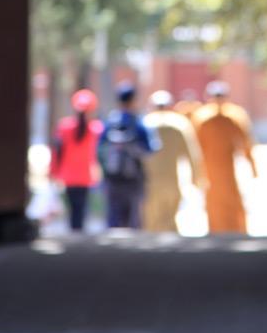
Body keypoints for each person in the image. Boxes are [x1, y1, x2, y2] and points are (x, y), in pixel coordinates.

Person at [193, 80, 257, 234]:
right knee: (215, 199)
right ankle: (218, 229)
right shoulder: (203, 117)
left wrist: (253, 165)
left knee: (229, 199)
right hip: (210, 167)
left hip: (226, 167)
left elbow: (245, 143)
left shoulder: (233, 115)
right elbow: (196, 146)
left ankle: (234, 230)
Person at [99, 81, 160, 229]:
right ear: (133, 100)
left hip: (113, 177)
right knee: (133, 219)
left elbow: (100, 149)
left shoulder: (110, 123)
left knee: (113, 218)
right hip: (134, 177)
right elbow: (152, 148)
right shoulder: (139, 123)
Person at [143, 90, 203, 232]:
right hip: (172, 182)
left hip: (150, 183)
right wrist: (196, 178)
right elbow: (192, 155)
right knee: (170, 220)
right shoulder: (179, 124)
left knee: (151, 223)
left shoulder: (146, 123)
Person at [50, 88, 103, 231]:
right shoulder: (95, 129)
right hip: (85, 176)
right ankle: (78, 231)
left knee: (73, 208)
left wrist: (53, 171)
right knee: (81, 207)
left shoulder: (64, 127)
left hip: (68, 175)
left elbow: (57, 151)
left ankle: (74, 231)